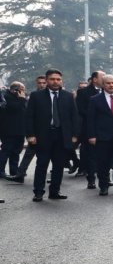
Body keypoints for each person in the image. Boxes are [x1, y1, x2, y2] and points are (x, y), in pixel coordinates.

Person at [24, 69, 79, 202]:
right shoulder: (36, 96)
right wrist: (30, 135)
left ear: (61, 81)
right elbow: (29, 117)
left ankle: (55, 191)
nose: (55, 82)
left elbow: (74, 117)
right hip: (43, 136)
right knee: (42, 164)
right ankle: (38, 192)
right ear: (47, 80)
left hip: (62, 136)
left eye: (58, 79)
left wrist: (75, 135)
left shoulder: (68, 96)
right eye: (52, 79)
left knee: (59, 165)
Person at [6, 76, 45, 183]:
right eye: (39, 83)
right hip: (35, 131)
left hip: (50, 131)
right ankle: (20, 174)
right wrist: (30, 133)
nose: (42, 85)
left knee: (51, 156)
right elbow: (29, 114)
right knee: (28, 154)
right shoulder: (33, 95)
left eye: (43, 83)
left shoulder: (56, 96)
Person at [75, 70, 105, 187]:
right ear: (95, 79)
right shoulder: (83, 92)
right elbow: (80, 109)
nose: (105, 79)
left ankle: (105, 178)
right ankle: (91, 179)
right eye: (103, 77)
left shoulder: (108, 91)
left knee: (105, 155)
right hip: (89, 128)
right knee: (90, 155)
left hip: (105, 129)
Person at [1, 82, 26, 179]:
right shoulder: (6, 97)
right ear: (16, 90)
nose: (24, 92)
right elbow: (14, 108)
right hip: (8, 130)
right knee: (6, 150)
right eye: (22, 89)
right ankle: (1, 170)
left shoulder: (21, 98)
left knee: (16, 152)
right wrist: (22, 99)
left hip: (20, 129)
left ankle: (14, 171)